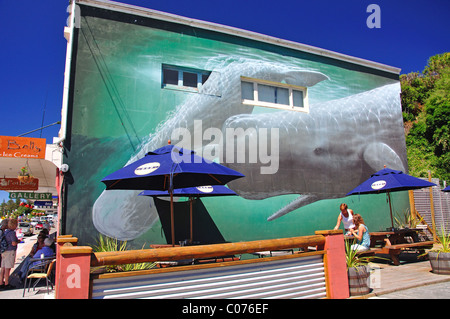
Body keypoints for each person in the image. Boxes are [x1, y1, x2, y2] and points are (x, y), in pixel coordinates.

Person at [0, 219, 19, 289]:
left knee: (3, 268)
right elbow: (13, 243)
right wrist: (18, 241)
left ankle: (1, 282)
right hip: (10, 251)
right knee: (8, 268)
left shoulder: (5, 232)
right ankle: (7, 283)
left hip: (4, 251)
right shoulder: (12, 233)